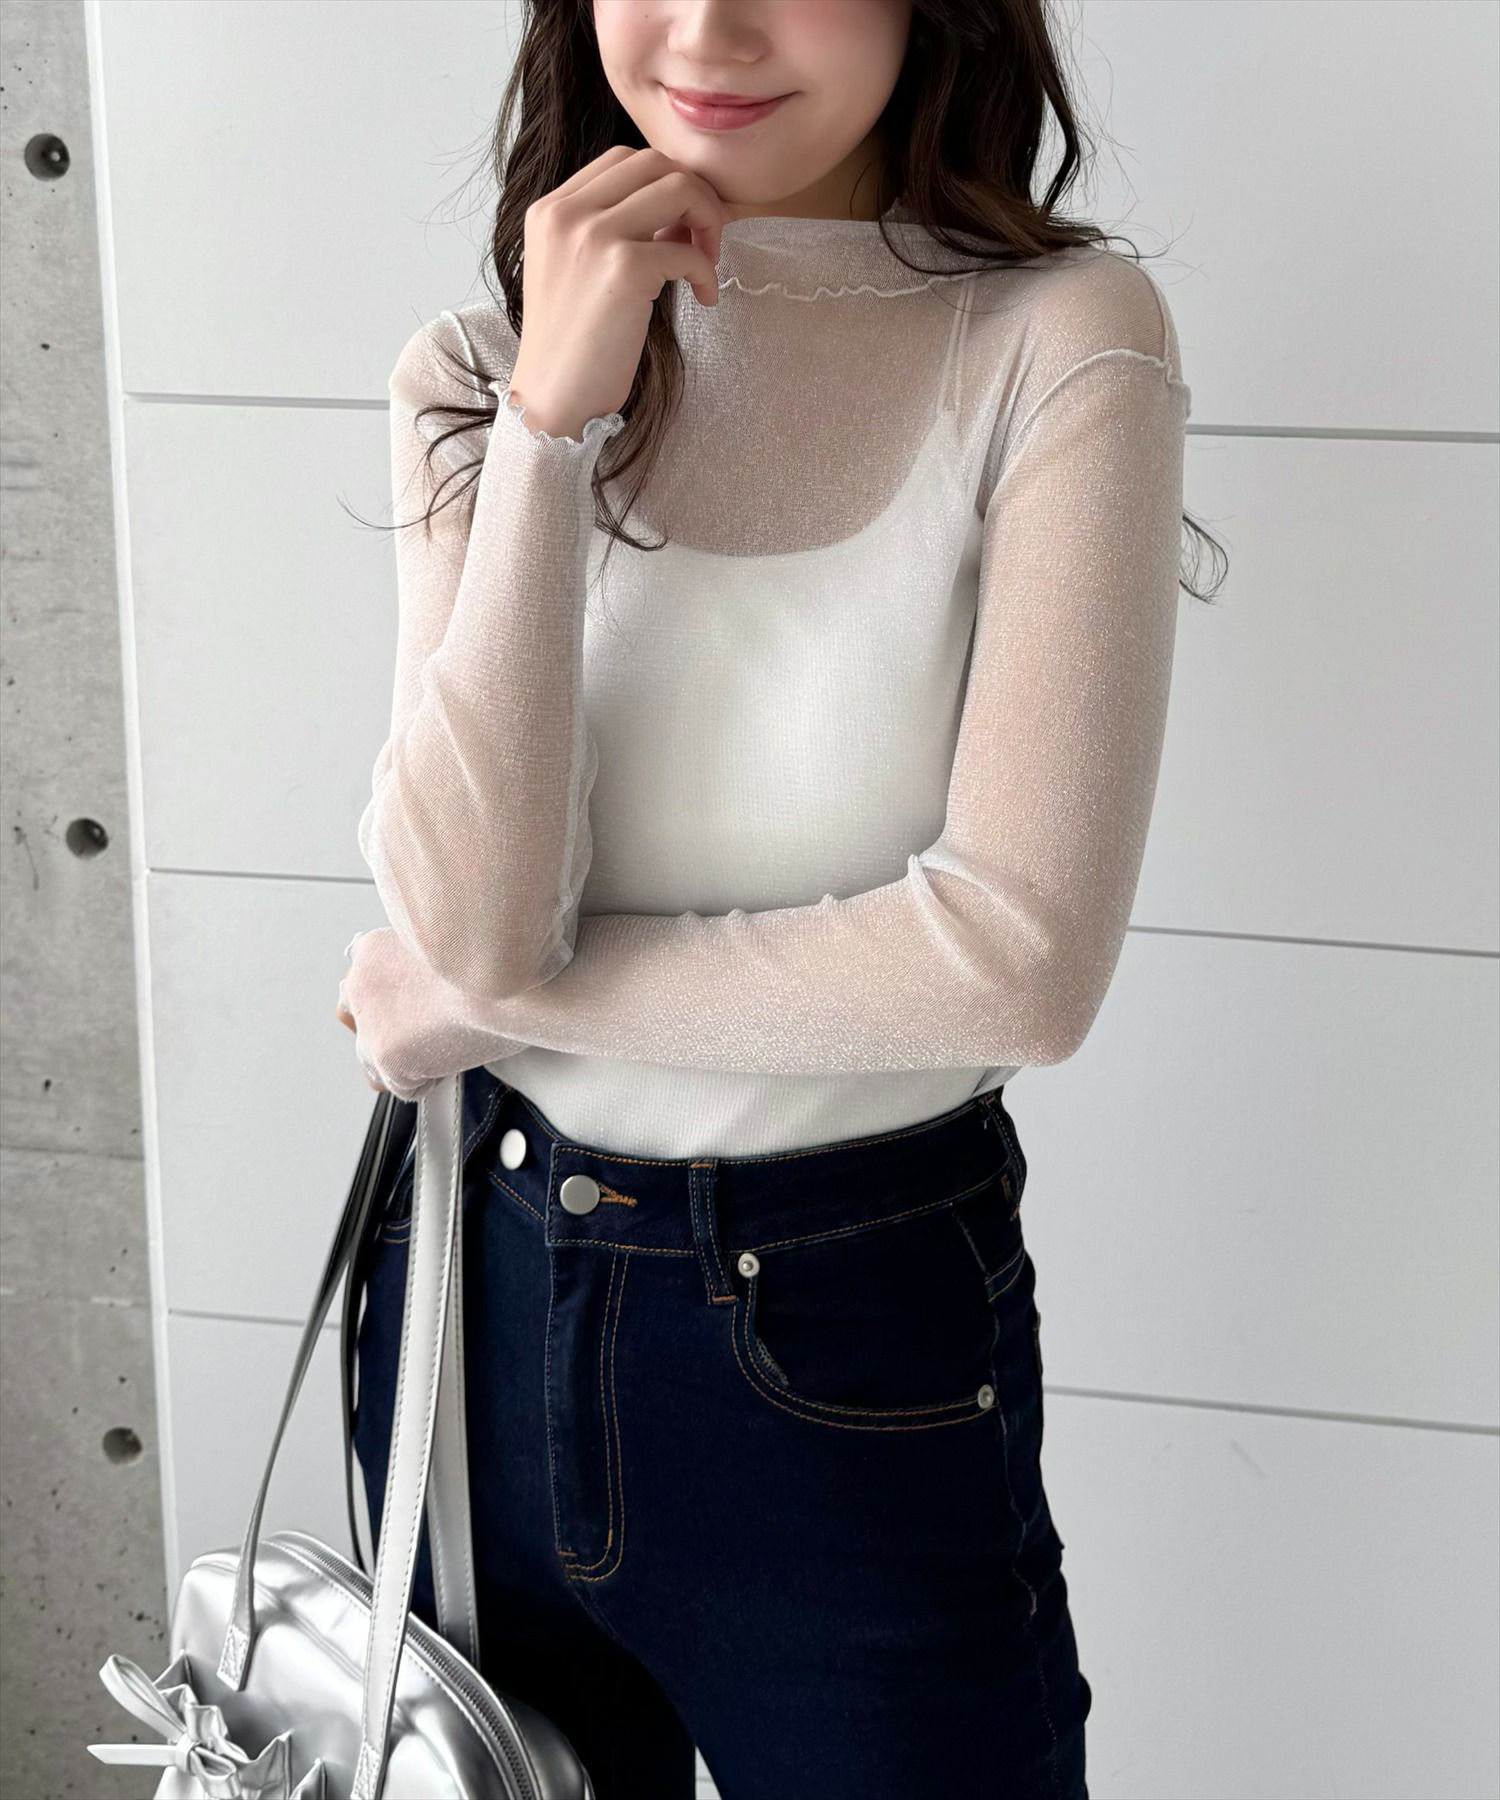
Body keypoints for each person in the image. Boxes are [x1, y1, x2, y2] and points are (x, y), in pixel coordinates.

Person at [337, 2, 1220, 1794]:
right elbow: (478, 925)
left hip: (834, 1334)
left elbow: (1016, 966)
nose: (708, 27)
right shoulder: (476, 368)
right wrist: (551, 425)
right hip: (466, 1301)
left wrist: (475, 999)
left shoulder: (1059, 340)